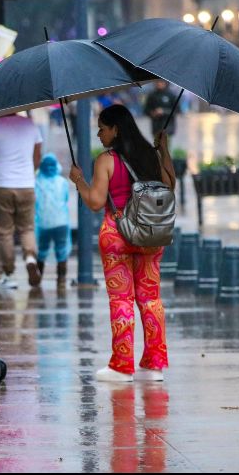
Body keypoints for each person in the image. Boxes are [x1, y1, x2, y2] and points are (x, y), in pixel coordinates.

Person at [68, 104, 175, 383]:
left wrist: (79, 181)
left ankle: (122, 365)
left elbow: (94, 202)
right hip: (150, 236)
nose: (98, 134)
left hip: (117, 235)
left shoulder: (106, 160)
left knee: (121, 300)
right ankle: (154, 366)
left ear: (116, 129)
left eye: (102, 128)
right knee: (150, 299)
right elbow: (170, 185)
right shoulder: (149, 155)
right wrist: (163, 149)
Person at [0, 113, 43, 289]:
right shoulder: (30, 125)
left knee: (4, 232)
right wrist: (29, 173)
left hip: (2, 184)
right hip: (26, 184)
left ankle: (9, 273)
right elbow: (37, 155)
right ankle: (31, 258)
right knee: (27, 228)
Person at [34, 154, 71, 290]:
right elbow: (66, 199)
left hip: (43, 223)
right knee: (61, 250)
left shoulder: (36, 182)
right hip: (61, 222)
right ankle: (61, 280)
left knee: (42, 250)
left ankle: (37, 279)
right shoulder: (62, 182)